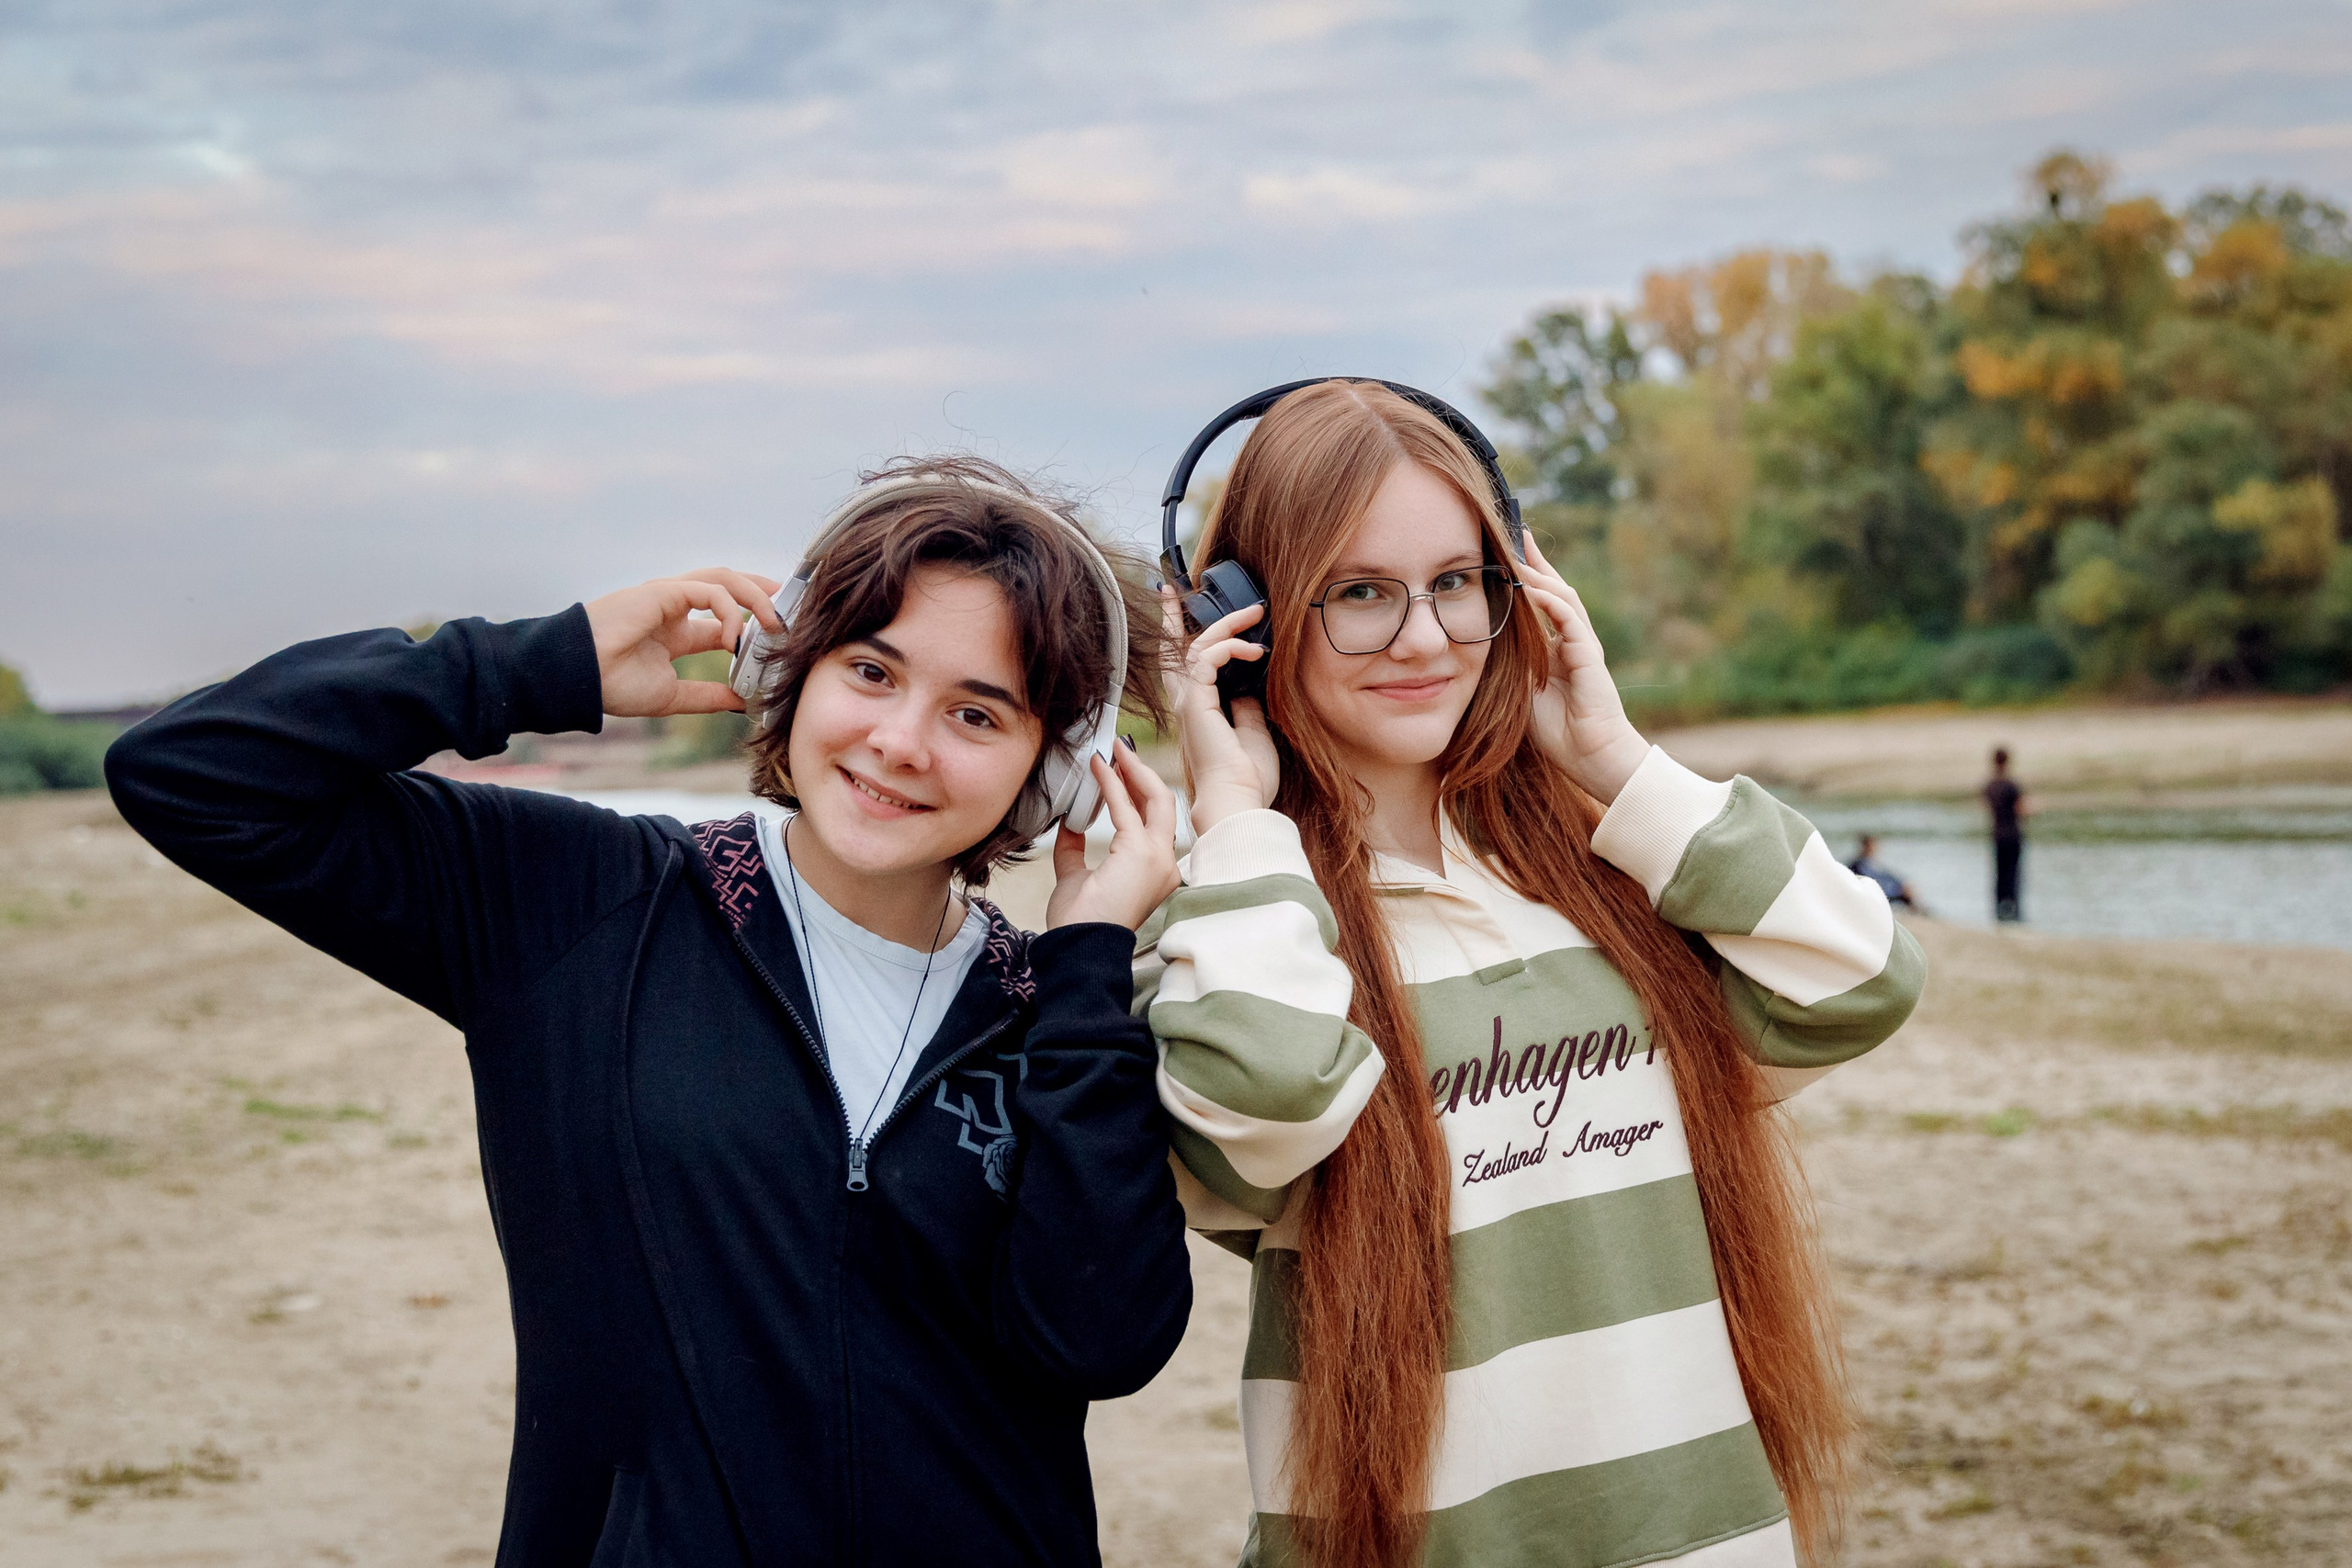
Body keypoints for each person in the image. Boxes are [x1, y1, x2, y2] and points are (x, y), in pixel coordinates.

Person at [105, 458, 1194, 1568]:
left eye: (975, 712)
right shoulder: (577, 905)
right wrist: (543, 663)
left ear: (1051, 769)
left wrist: (1086, 964)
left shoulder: (1054, 1016)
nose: (903, 741)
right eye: (870, 671)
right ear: (789, 668)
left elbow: (1098, 1343)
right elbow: (192, 771)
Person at [1145, 382, 1925, 1568]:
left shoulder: (1600, 868)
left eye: (1457, 582)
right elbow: (1265, 1109)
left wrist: (1614, 757)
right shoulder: (1233, 919)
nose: (1422, 637)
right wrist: (1237, 815)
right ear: (1237, 622)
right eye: (1358, 592)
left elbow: (1860, 979)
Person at [1984, 746, 2028, 921]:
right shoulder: (2012, 785)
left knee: (1999, 873)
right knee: (2013, 873)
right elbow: (2021, 809)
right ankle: (2014, 911)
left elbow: (1986, 806)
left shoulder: (1989, 785)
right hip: (2013, 834)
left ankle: (1998, 910)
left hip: (1997, 834)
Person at [1847, 832, 1925, 912]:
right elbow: (1871, 883)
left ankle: (1918, 911)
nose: (1873, 849)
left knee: (1906, 890)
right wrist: (1897, 890)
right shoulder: (1859, 866)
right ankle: (1917, 912)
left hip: (1879, 893)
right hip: (1871, 896)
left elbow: (1887, 877)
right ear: (1864, 847)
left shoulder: (1872, 864)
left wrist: (1901, 885)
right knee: (1904, 894)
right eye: (1870, 846)